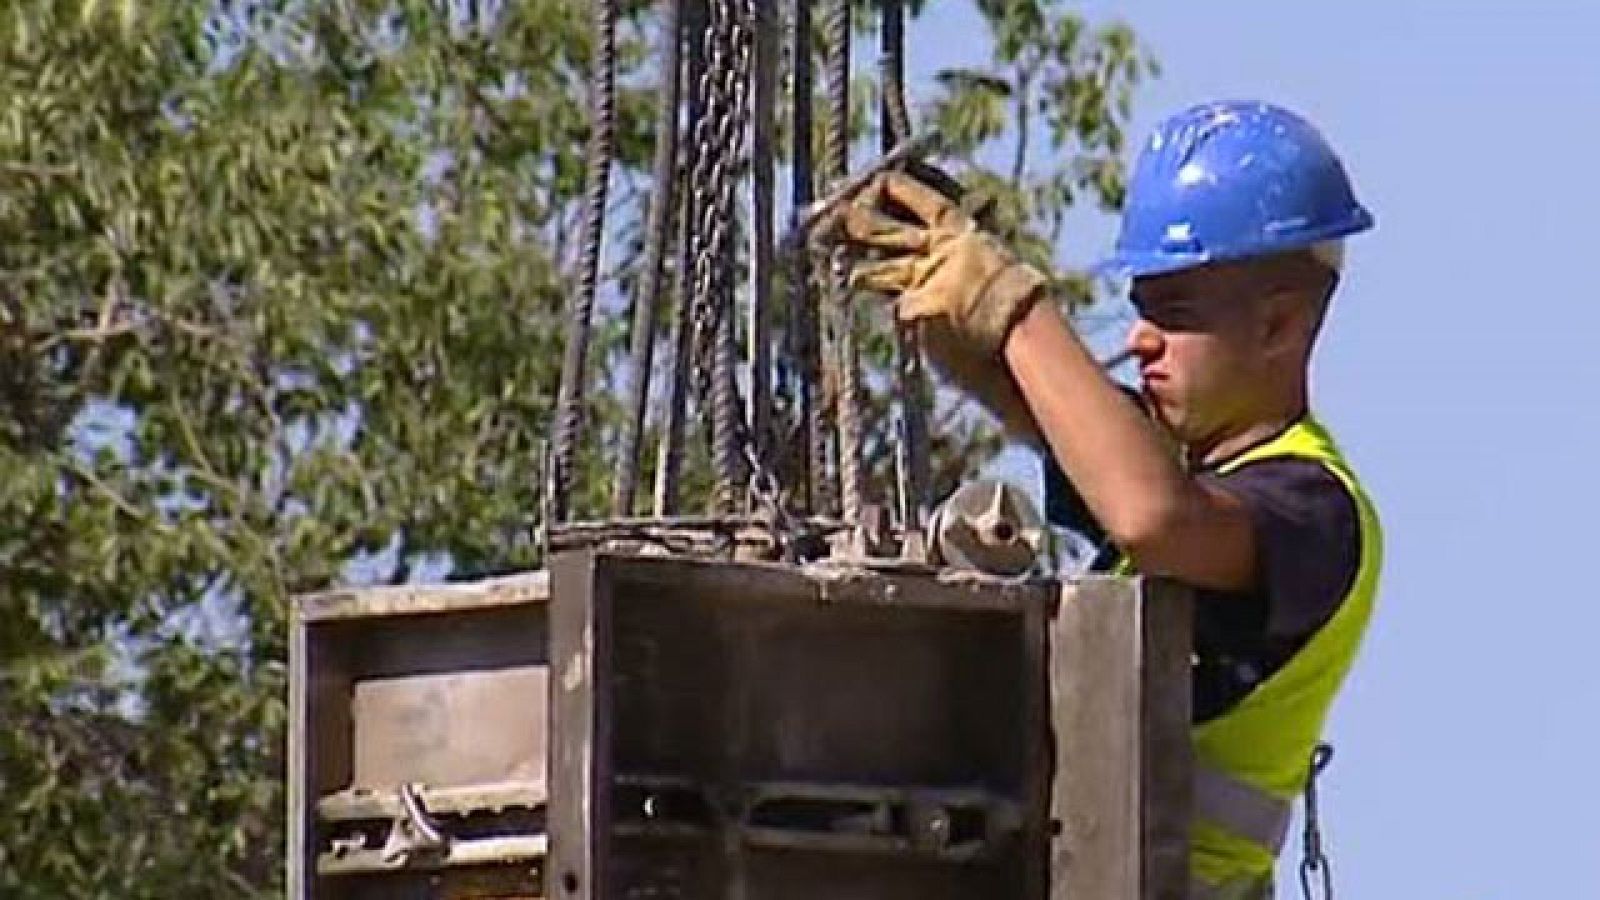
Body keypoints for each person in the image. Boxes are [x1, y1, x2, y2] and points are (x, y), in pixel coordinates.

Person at [832, 100, 1383, 899]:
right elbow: (1078, 432)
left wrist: (1011, 307)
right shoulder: (1190, 477)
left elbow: (1152, 515)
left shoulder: (1316, 510)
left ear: (1278, 325)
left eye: (1176, 316)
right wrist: (967, 331)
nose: (1139, 339)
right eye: (1142, 309)